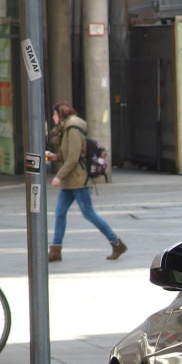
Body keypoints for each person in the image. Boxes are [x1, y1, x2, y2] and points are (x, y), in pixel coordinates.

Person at [44, 102, 125, 262]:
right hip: (70, 181)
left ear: (61, 114)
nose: (53, 118)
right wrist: (56, 157)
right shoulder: (66, 129)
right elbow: (69, 155)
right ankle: (55, 250)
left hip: (79, 180)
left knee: (88, 213)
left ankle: (116, 243)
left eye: (54, 115)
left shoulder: (72, 130)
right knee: (59, 213)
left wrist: (58, 176)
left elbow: (74, 157)